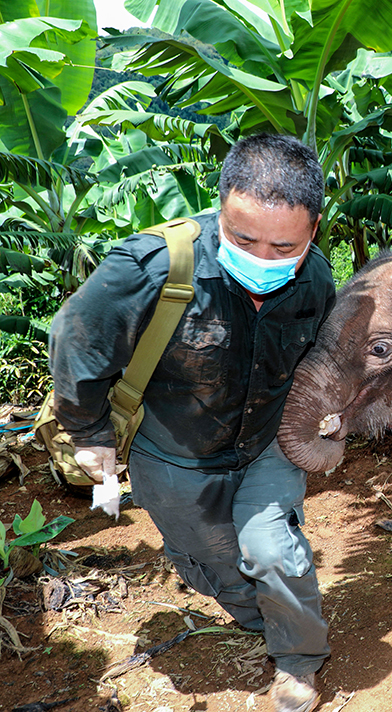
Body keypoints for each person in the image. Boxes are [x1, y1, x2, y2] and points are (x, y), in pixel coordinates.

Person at [49, 134, 337, 712]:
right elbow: (78, 342)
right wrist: (89, 435)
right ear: (220, 204)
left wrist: (328, 415)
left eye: (285, 247)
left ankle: (298, 656)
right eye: (243, 238)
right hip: (174, 452)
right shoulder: (150, 267)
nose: (263, 259)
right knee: (214, 559)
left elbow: (321, 357)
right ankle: (255, 616)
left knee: (274, 551)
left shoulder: (315, 279)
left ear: (314, 229)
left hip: (265, 443)